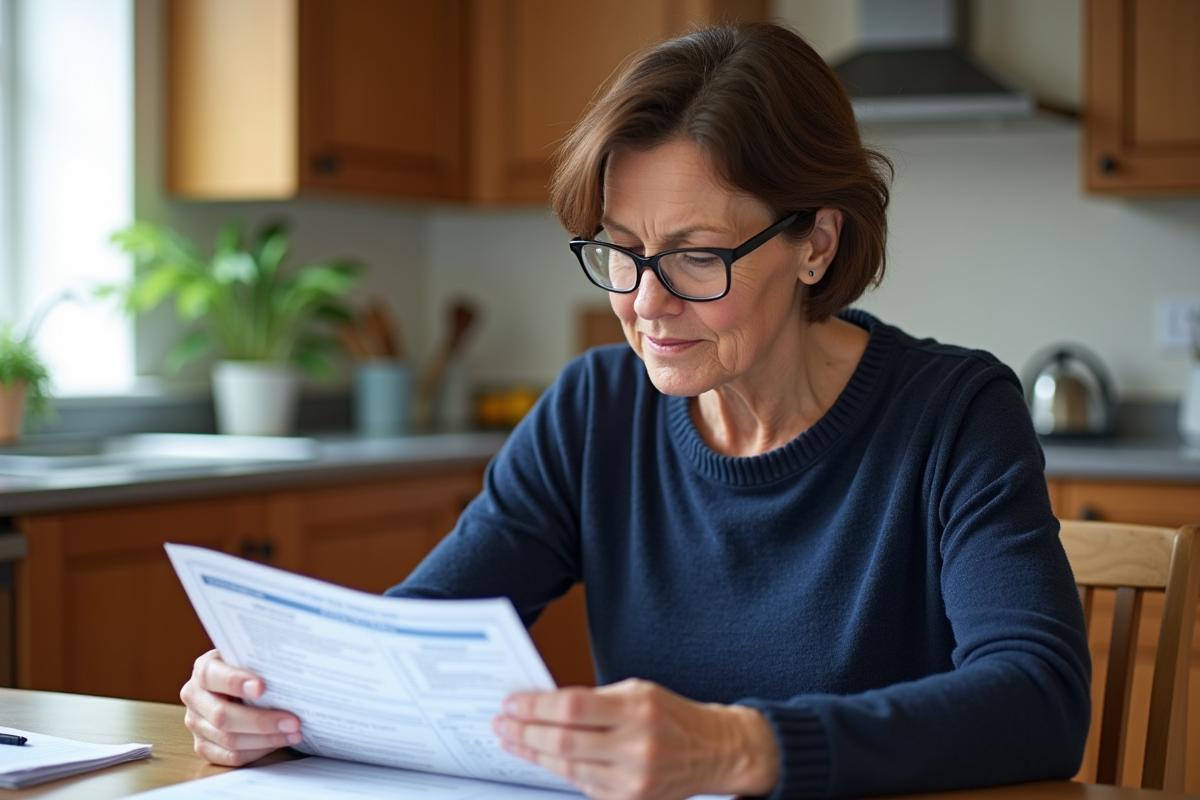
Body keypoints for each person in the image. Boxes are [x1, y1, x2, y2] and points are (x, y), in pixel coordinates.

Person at [180, 21, 1091, 800]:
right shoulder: (594, 408)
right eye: (622, 250)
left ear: (816, 242)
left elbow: (1038, 699)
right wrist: (278, 700)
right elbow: (410, 644)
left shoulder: (955, 413)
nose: (646, 304)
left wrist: (737, 746)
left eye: (697, 256)